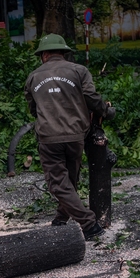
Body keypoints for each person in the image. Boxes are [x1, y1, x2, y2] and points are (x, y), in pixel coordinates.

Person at [24, 34, 115, 241]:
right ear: (64, 53)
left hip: (49, 138)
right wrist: (107, 112)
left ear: (44, 55)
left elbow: (33, 109)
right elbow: (92, 98)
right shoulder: (79, 71)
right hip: (76, 136)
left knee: (59, 184)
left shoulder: (33, 77)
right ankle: (61, 218)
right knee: (70, 179)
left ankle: (89, 224)